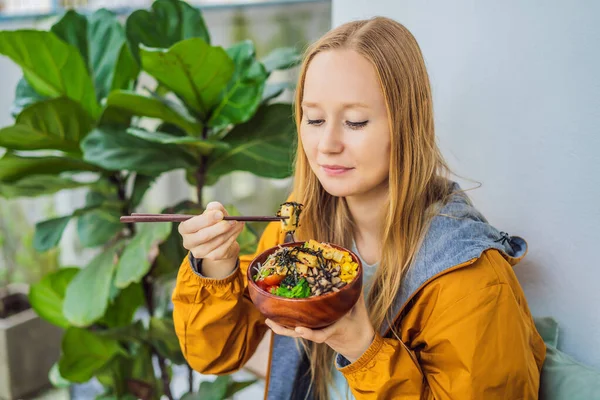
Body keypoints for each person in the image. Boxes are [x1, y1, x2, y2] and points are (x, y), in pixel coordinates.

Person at [172, 16, 546, 400]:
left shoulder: (470, 279)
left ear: (406, 123)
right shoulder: (299, 236)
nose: (326, 144)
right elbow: (214, 356)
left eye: (355, 122)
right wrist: (215, 265)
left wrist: (361, 347)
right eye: (314, 118)